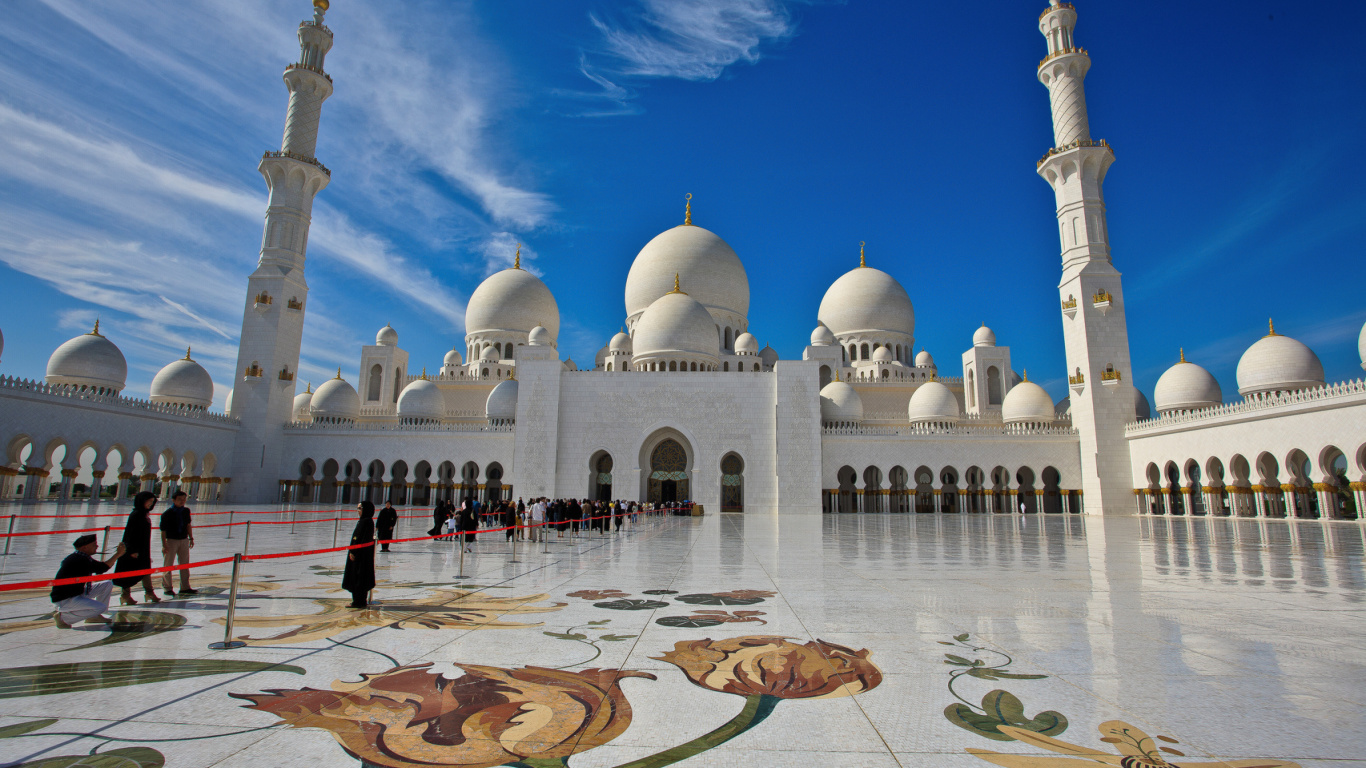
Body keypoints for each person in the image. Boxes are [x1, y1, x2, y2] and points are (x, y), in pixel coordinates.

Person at [50, 534, 125, 628]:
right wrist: (118, 554)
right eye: (94, 544)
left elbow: (100, 567)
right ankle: (63, 619)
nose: (97, 546)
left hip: (76, 593)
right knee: (100, 607)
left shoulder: (82, 557)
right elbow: (102, 568)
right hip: (65, 599)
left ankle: (94, 616)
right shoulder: (79, 559)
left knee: (107, 584)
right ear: (85, 547)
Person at [114, 491, 161, 606]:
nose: (150, 504)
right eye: (148, 501)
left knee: (145, 570)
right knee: (129, 571)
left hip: (143, 548)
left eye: (152, 502)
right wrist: (132, 550)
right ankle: (125, 595)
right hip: (134, 549)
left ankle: (149, 592)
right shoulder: (136, 514)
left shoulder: (144, 514)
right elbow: (130, 534)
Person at [159, 489, 197, 596]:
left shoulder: (186, 511)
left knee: (184, 564)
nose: (182, 501)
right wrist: (164, 544)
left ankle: (185, 587)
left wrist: (191, 538)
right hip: (171, 541)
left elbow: (188, 525)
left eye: (184, 499)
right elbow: (163, 531)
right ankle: (167, 587)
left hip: (183, 540)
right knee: (168, 565)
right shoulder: (167, 514)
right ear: (173, 500)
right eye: (180, 499)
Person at [342, 501, 376, 609]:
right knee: (357, 577)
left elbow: (362, 540)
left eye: (360, 508)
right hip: (360, 555)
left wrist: (354, 552)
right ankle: (357, 600)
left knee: (359, 578)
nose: (358, 511)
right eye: (358, 508)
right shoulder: (364, 521)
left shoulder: (366, 522)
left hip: (360, 557)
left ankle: (359, 601)